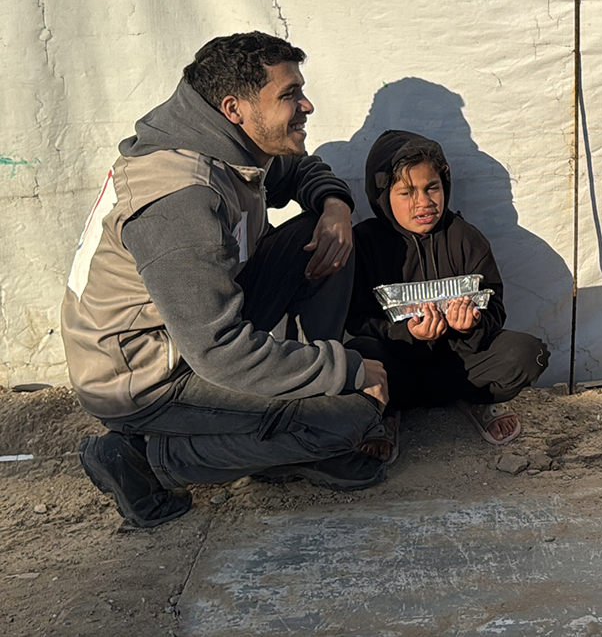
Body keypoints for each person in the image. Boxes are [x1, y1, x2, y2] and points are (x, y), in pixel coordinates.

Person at [61, 32, 390, 528]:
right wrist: (346, 372)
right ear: (234, 107)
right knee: (354, 416)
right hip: (146, 379)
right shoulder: (180, 199)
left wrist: (334, 206)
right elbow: (218, 351)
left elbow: (298, 171)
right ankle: (139, 459)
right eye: (288, 96)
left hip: (188, 333)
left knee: (317, 235)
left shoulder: (227, 145)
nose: (306, 104)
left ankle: (296, 422)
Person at [345, 130, 548, 455]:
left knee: (526, 353)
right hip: (399, 370)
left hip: (461, 368)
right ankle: (384, 413)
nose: (423, 202)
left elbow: (495, 306)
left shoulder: (466, 238)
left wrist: (472, 325)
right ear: (383, 195)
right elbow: (356, 318)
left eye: (432, 188)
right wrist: (405, 332)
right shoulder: (365, 243)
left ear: (446, 185)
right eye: (407, 192)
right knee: (355, 355)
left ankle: (478, 401)